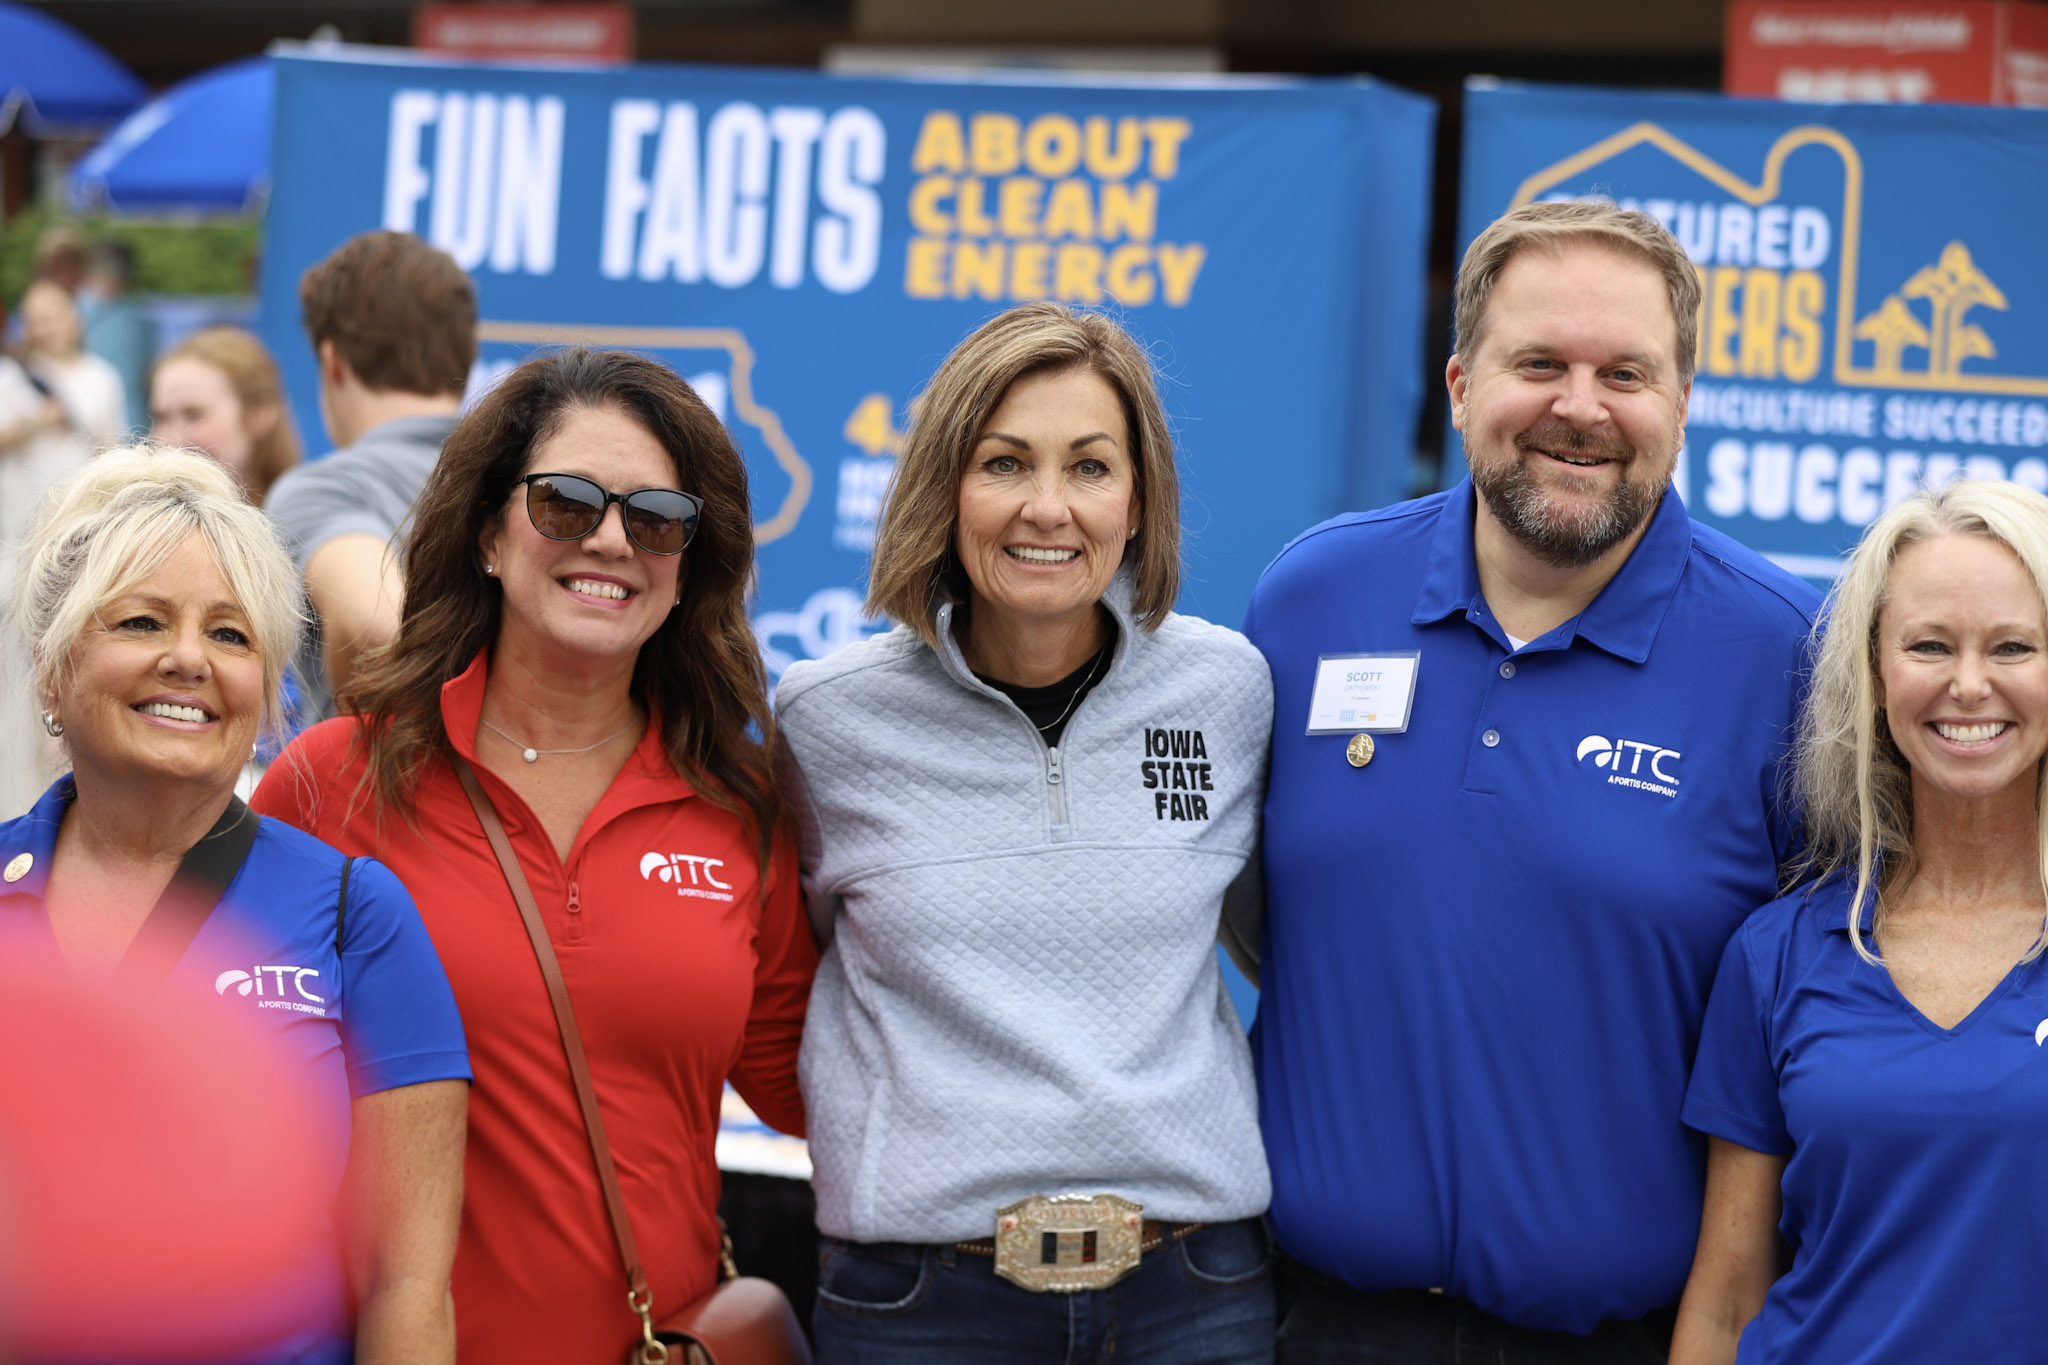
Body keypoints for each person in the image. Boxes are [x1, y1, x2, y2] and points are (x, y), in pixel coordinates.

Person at [1239, 199, 1822, 1362]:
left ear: (1682, 404)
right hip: (1307, 1326)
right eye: (1538, 363)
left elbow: (1819, 1032)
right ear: (1458, 385)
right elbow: (1258, 915)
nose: (1579, 407)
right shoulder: (1311, 599)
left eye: (1625, 372)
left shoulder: (1790, 660)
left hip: (1628, 1339)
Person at [252, 347, 816, 1363]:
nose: (610, 540)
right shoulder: (333, 782)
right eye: (565, 504)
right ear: (486, 534)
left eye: (656, 519)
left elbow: (813, 1089)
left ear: (688, 568)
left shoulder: (741, 808)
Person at [776, 301, 1275, 1364]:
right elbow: (779, 970)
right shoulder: (822, 722)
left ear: (1138, 501)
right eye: (1004, 464)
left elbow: (1281, 943)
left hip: (1191, 1290)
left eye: (1090, 468)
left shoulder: (1226, 691)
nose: (1047, 509)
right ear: (942, 489)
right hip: (921, 1301)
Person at [0, 445, 470, 1364]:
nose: (188, 659)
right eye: (141, 620)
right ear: (54, 671)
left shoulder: (354, 914)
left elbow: (406, 1282)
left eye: (231, 634)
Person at [1671, 480, 2048, 1364]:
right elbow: (1727, 1301)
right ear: (1876, 675)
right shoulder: (1775, 956)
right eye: (1927, 644)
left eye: (2012, 646)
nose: (1967, 683)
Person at [264, 230, 476, 722]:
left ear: (332, 361)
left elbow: (373, 625)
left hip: (378, 795)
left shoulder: (326, 490)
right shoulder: (525, 476)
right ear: (462, 360)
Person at [152, 325, 304, 504]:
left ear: (259, 414)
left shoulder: (302, 518)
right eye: (161, 417)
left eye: (194, 415)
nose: (172, 439)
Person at [81, 239, 156, 432]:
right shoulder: (139, 318)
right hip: (131, 424)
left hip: (94, 424)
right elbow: (151, 374)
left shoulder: (76, 313)